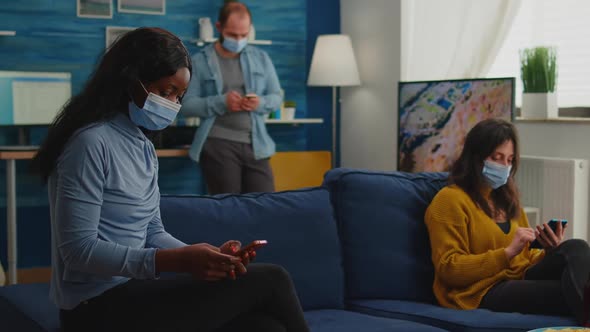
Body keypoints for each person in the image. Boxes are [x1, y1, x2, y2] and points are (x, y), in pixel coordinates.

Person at [32, 27, 309, 332]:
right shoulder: (90, 143)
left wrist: (207, 257)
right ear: (130, 79)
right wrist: (174, 262)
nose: (173, 104)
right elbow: (78, 250)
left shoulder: (143, 146)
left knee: (265, 327)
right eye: (165, 92)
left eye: (178, 96)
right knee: (272, 279)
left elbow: (151, 229)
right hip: (94, 307)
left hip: (131, 291)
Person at [425, 118, 590, 325]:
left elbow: (527, 256)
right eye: (497, 157)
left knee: (575, 247)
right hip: (482, 289)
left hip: (520, 274)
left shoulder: (507, 200)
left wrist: (548, 250)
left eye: (510, 160)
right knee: (564, 292)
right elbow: (449, 269)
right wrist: (507, 253)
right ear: (476, 158)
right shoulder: (450, 200)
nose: (504, 166)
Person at [181, 1, 282, 195]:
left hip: (257, 145)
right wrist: (221, 102)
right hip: (218, 143)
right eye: (232, 35)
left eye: (244, 35)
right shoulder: (199, 61)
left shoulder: (262, 58)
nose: (238, 40)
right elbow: (185, 105)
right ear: (219, 27)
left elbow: (276, 97)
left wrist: (259, 103)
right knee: (228, 209)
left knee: (266, 203)